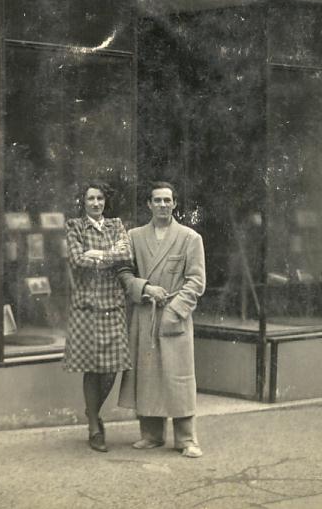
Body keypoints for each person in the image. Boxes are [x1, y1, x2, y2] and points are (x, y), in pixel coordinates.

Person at [118, 182, 206, 458]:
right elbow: (124, 273)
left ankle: (187, 439)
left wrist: (175, 310)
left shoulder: (190, 238)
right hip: (145, 314)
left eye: (168, 200)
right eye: (157, 200)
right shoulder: (134, 236)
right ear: (148, 204)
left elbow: (196, 281)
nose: (163, 205)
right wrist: (145, 288)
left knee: (178, 378)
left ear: (175, 204)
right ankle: (152, 435)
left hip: (173, 315)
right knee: (148, 376)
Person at [64, 181, 132, 453]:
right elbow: (77, 259)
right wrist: (108, 257)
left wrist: (97, 254)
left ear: (106, 201)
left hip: (113, 305)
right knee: (92, 369)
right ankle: (94, 424)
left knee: (113, 367)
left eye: (100, 198)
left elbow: (127, 253)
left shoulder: (116, 225)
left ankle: (92, 410)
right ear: (83, 201)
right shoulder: (75, 227)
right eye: (90, 198)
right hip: (87, 306)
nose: (95, 203)